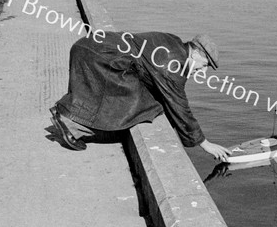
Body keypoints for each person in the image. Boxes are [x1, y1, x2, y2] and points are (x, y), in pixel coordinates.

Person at [49, 31, 231, 160]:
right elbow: (179, 105)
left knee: (111, 98)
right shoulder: (172, 65)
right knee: (132, 104)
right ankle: (70, 124)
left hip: (90, 45)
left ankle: (69, 118)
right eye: (205, 65)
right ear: (197, 53)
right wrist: (204, 143)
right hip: (99, 56)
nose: (203, 71)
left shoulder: (173, 42)